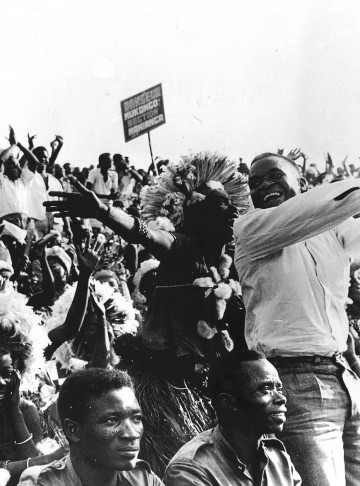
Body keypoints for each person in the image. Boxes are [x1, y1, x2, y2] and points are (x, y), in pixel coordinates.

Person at [44, 152, 249, 475]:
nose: (233, 210)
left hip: (207, 386)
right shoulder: (182, 248)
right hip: (167, 387)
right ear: (198, 216)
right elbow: (145, 234)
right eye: (221, 204)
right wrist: (104, 211)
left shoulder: (231, 262)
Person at [233, 152, 360, 486]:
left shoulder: (330, 230)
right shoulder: (252, 230)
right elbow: (331, 203)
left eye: (274, 176)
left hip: (345, 378)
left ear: (301, 183)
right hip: (298, 386)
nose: (263, 186)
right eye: (254, 183)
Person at [164, 350, 301, 485]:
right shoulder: (189, 470)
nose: (281, 398)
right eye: (265, 388)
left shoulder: (278, 458)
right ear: (229, 402)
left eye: (279, 389)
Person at [18, 368, 164, 486]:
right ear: (73, 430)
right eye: (112, 420)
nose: (132, 434)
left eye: (136, 418)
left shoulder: (143, 478)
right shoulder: (43, 482)